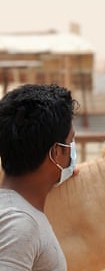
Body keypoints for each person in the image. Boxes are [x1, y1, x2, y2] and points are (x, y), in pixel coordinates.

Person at [0, 84, 79, 270]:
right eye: (71, 141)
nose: (73, 148)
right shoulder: (19, 224)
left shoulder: (16, 210)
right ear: (57, 152)